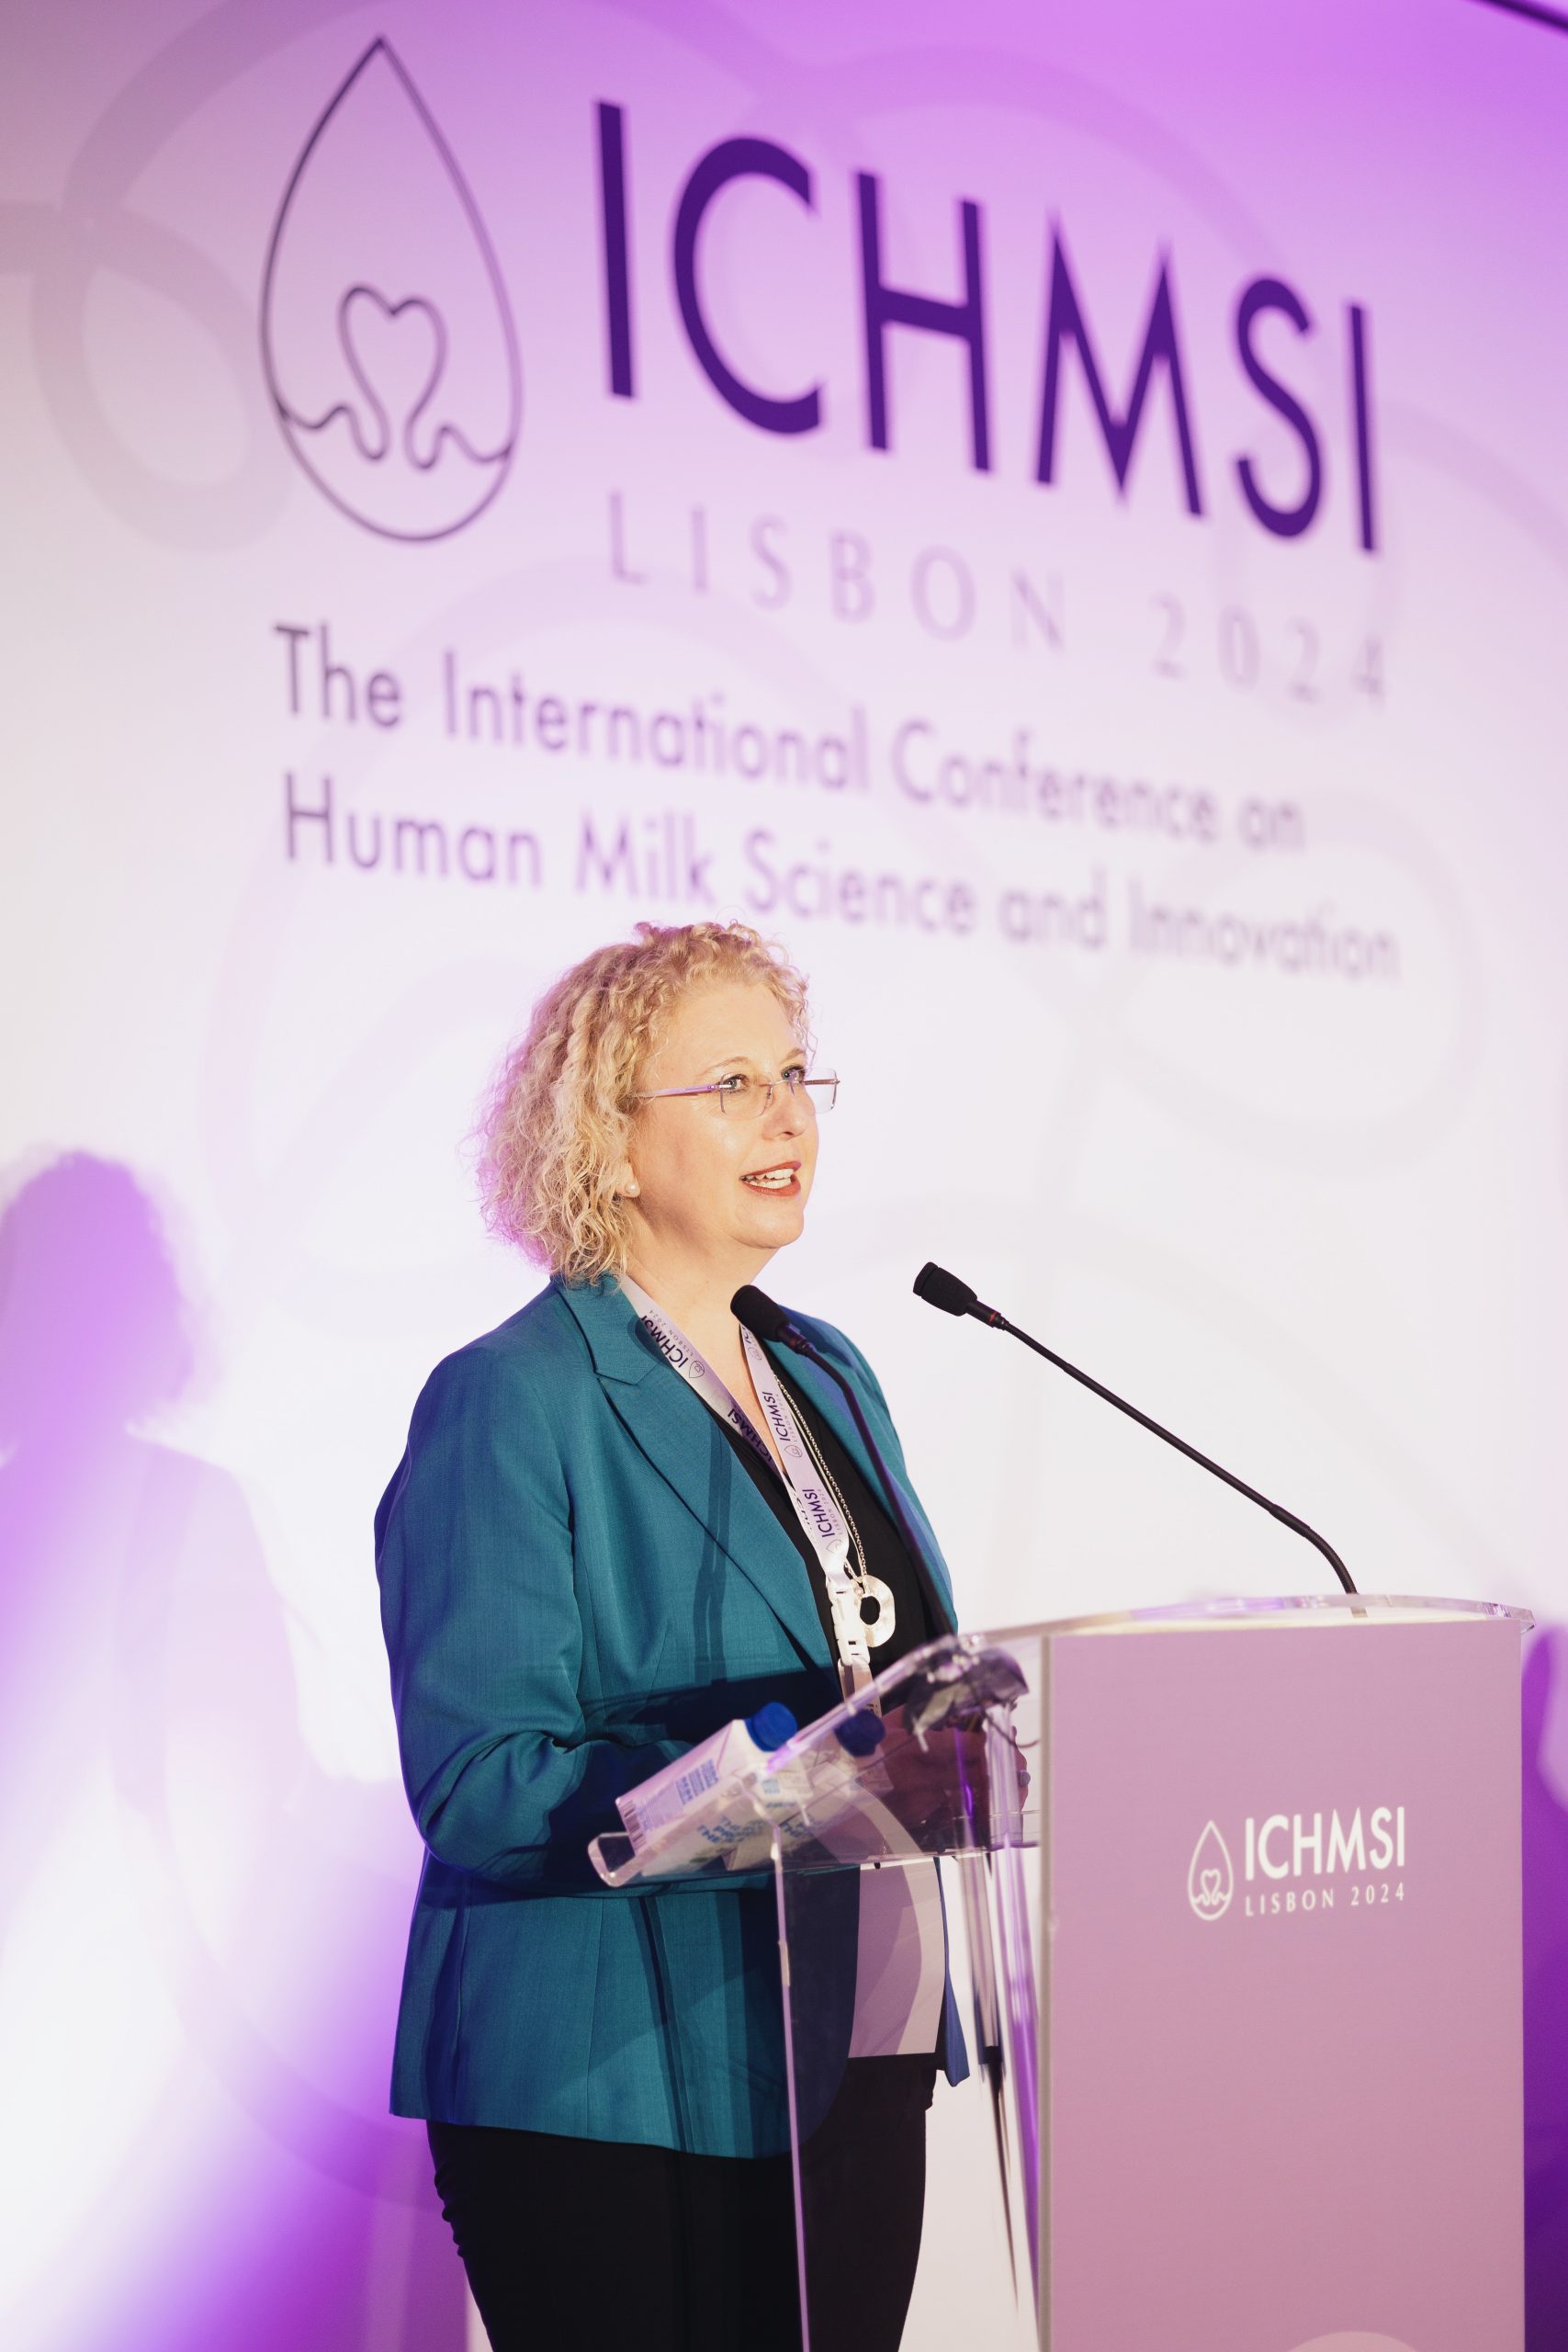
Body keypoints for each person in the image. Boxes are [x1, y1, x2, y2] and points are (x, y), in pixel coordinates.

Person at [375, 921, 962, 2352]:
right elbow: (482, 1781)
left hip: (853, 2042)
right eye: (734, 1085)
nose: (788, 1116)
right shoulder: (513, 1398)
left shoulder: (829, 1369)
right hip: (613, 2077)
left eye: (798, 1076)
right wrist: (770, 1779)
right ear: (612, 1140)